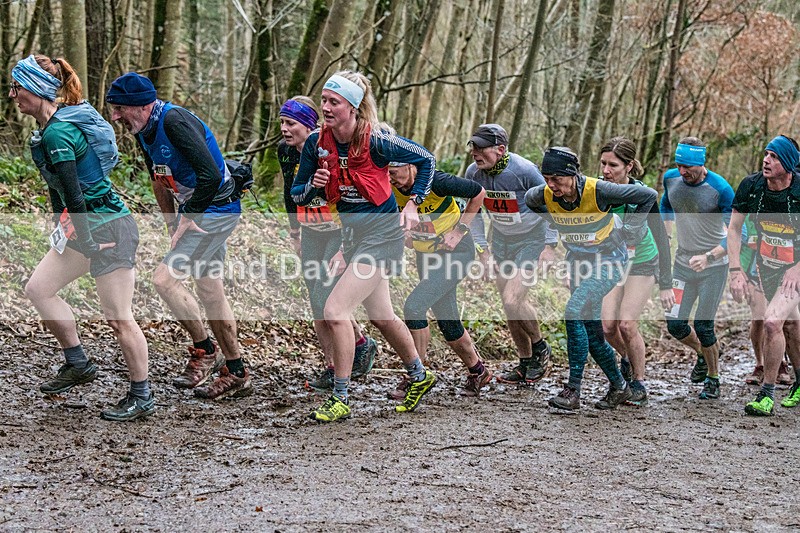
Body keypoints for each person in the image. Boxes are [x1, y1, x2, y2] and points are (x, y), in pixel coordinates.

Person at [11, 55, 152, 421]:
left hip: (108, 228)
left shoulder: (59, 131)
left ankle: (142, 395)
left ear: (37, 89)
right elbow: (61, 194)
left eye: (17, 87)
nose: (13, 95)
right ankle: (78, 363)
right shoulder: (45, 132)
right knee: (38, 289)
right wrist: (64, 227)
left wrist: (85, 239)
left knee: (118, 317)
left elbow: (76, 195)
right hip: (85, 227)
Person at [290, 71, 437, 422]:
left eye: (333, 102)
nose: (325, 107)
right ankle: (420, 375)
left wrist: (414, 203)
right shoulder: (316, 144)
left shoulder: (377, 141)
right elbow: (296, 194)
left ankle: (340, 397)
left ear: (353, 108)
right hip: (352, 237)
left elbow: (426, 159)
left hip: (383, 236)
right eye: (323, 100)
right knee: (381, 316)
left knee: (335, 310)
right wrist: (313, 183)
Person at [106, 72, 252, 400]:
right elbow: (158, 179)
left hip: (215, 211)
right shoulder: (144, 128)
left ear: (141, 105)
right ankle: (237, 371)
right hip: (198, 213)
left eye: (119, 109)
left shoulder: (173, 122)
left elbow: (211, 176)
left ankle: (204, 350)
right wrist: (172, 223)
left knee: (163, 280)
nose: (115, 116)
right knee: (210, 290)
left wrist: (189, 218)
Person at [525, 147, 657, 410]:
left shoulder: (599, 190)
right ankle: (620, 386)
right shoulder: (542, 195)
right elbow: (531, 200)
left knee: (573, 311)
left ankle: (573, 390)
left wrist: (628, 230)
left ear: (573, 174)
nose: (551, 185)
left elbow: (649, 195)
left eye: (557, 179)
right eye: (547, 179)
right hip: (578, 263)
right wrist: (561, 223)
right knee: (594, 334)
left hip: (609, 260)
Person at [278, 96, 377, 389]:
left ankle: (358, 344)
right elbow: (289, 191)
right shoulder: (285, 151)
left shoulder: (327, 148)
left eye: (291, 123)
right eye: (282, 122)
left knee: (326, 297)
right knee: (315, 303)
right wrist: (294, 232)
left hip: (337, 230)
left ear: (310, 125)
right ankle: (331, 365)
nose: (284, 129)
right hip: (310, 231)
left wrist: (348, 243)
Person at [388, 161, 490, 396]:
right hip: (426, 254)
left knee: (414, 307)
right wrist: (403, 232)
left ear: (411, 166)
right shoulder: (390, 187)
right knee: (447, 318)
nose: (389, 178)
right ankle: (478, 371)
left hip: (456, 252)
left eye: (393, 172)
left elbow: (478, 193)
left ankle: (417, 376)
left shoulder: (437, 181)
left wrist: (459, 231)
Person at [466, 124, 557, 385]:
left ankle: (540, 347)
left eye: (481, 148)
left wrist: (550, 246)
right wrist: (483, 252)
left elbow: (551, 202)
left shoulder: (524, 170)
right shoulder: (474, 173)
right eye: (473, 147)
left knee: (513, 298)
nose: (475, 152)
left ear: (500, 149)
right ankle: (525, 362)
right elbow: (474, 215)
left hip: (531, 239)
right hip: (502, 240)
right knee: (508, 306)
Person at [728, 136, 800, 416]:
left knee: (772, 322)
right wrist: (736, 270)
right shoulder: (752, 186)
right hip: (768, 265)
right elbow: (734, 229)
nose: (766, 160)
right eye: (766, 154)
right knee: (791, 327)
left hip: (796, 269)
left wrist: (796, 267)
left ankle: (766, 395)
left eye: (774, 157)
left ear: (789, 164)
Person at [598, 137, 672, 406]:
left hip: (642, 261)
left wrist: (666, 282)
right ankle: (628, 359)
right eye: (603, 163)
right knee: (607, 327)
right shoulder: (598, 192)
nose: (606, 170)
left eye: (613, 165)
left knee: (627, 325)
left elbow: (661, 238)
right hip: (613, 262)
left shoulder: (643, 195)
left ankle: (638, 383)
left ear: (629, 166)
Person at [660, 137, 733, 400]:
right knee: (675, 324)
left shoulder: (720, 189)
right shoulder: (671, 179)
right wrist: (665, 232)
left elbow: (736, 233)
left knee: (703, 325)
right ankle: (703, 354)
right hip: (682, 264)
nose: (682, 172)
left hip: (713, 267)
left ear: (701, 164)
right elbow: (666, 204)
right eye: (679, 165)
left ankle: (714, 378)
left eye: (687, 167)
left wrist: (710, 257)